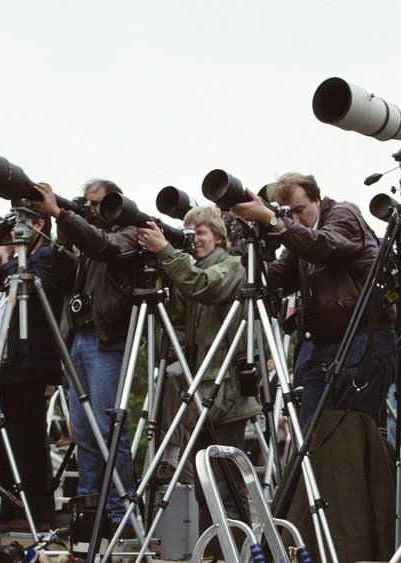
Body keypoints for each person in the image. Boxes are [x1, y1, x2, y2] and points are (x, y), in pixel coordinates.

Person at [136, 205, 262, 549]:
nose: (193, 239)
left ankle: (237, 553)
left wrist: (165, 252)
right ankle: (214, 553)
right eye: (188, 232)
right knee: (206, 488)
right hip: (198, 393)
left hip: (225, 395)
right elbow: (176, 336)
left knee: (226, 485)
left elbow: (204, 286)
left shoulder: (231, 267)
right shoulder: (186, 274)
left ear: (219, 237)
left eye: (200, 232)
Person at [231, 172, 397, 430]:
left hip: (364, 338)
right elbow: (274, 279)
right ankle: (310, 472)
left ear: (317, 201)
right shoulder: (299, 237)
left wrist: (274, 220)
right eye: (290, 213)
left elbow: (324, 247)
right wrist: (251, 238)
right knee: (310, 431)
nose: (296, 219)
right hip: (323, 346)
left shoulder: (342, 216)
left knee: (355, 433)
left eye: (300, 210)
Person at [29, 179, 138, 528]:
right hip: (79, 338)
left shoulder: (129, 233)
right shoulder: (89, 242)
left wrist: (62, 214)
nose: (90, 210)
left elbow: (105, 247)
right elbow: (63, 280)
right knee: (83, 433)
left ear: (113, 204)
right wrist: (62, 239)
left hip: (106, 342)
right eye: (86, 204)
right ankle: (92, 516)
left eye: (96, 204)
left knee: (109, 429)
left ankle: (123, 515)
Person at [0, 207, 63, 532]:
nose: (13, 228)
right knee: (3, 438)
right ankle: (7, 510)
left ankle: (36, 514)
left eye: (19, 222)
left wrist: (9, 258)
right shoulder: (14, 262)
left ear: (38, 224)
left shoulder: (46, 259)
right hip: (3, 360)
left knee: (28, 440)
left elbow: (17, 275)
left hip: (29, 362)